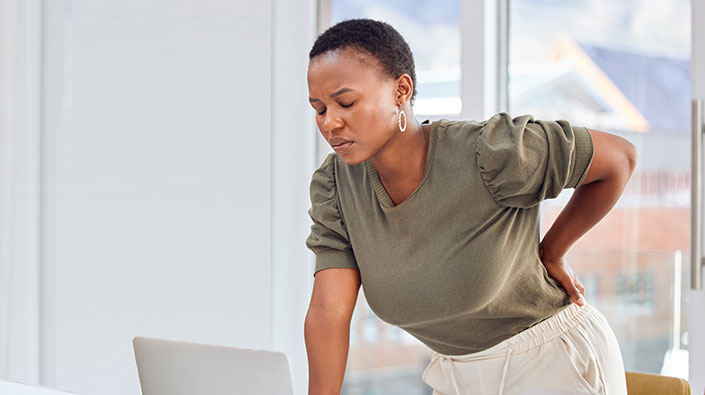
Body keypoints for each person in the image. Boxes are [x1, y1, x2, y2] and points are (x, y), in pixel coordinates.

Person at [303, 18, 637, 395]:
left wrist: (552, 251)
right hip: (460, 374)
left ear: (401, 90)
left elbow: (619, 160)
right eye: (319, 109)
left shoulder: (491, 153)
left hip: (553, 361)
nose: (330, 123)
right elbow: (328, 312)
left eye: (346, 102)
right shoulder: (336, 187)